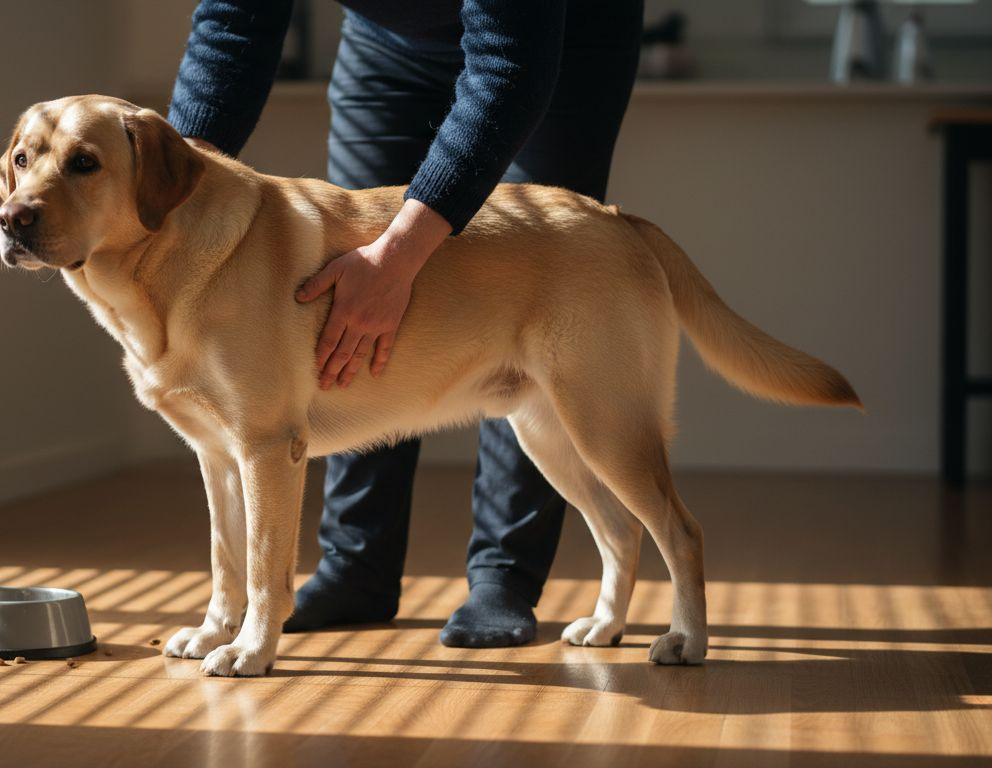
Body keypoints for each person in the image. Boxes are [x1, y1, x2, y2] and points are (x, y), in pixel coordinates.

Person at [168, 0, 644, 648]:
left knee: (524, 298)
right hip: (386, 44)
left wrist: (398, 257)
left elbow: (510, 62)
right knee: (346, 292)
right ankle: (356, 565)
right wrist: (170, 182)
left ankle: (503, 576)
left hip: (550, 42)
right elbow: (233, 21)